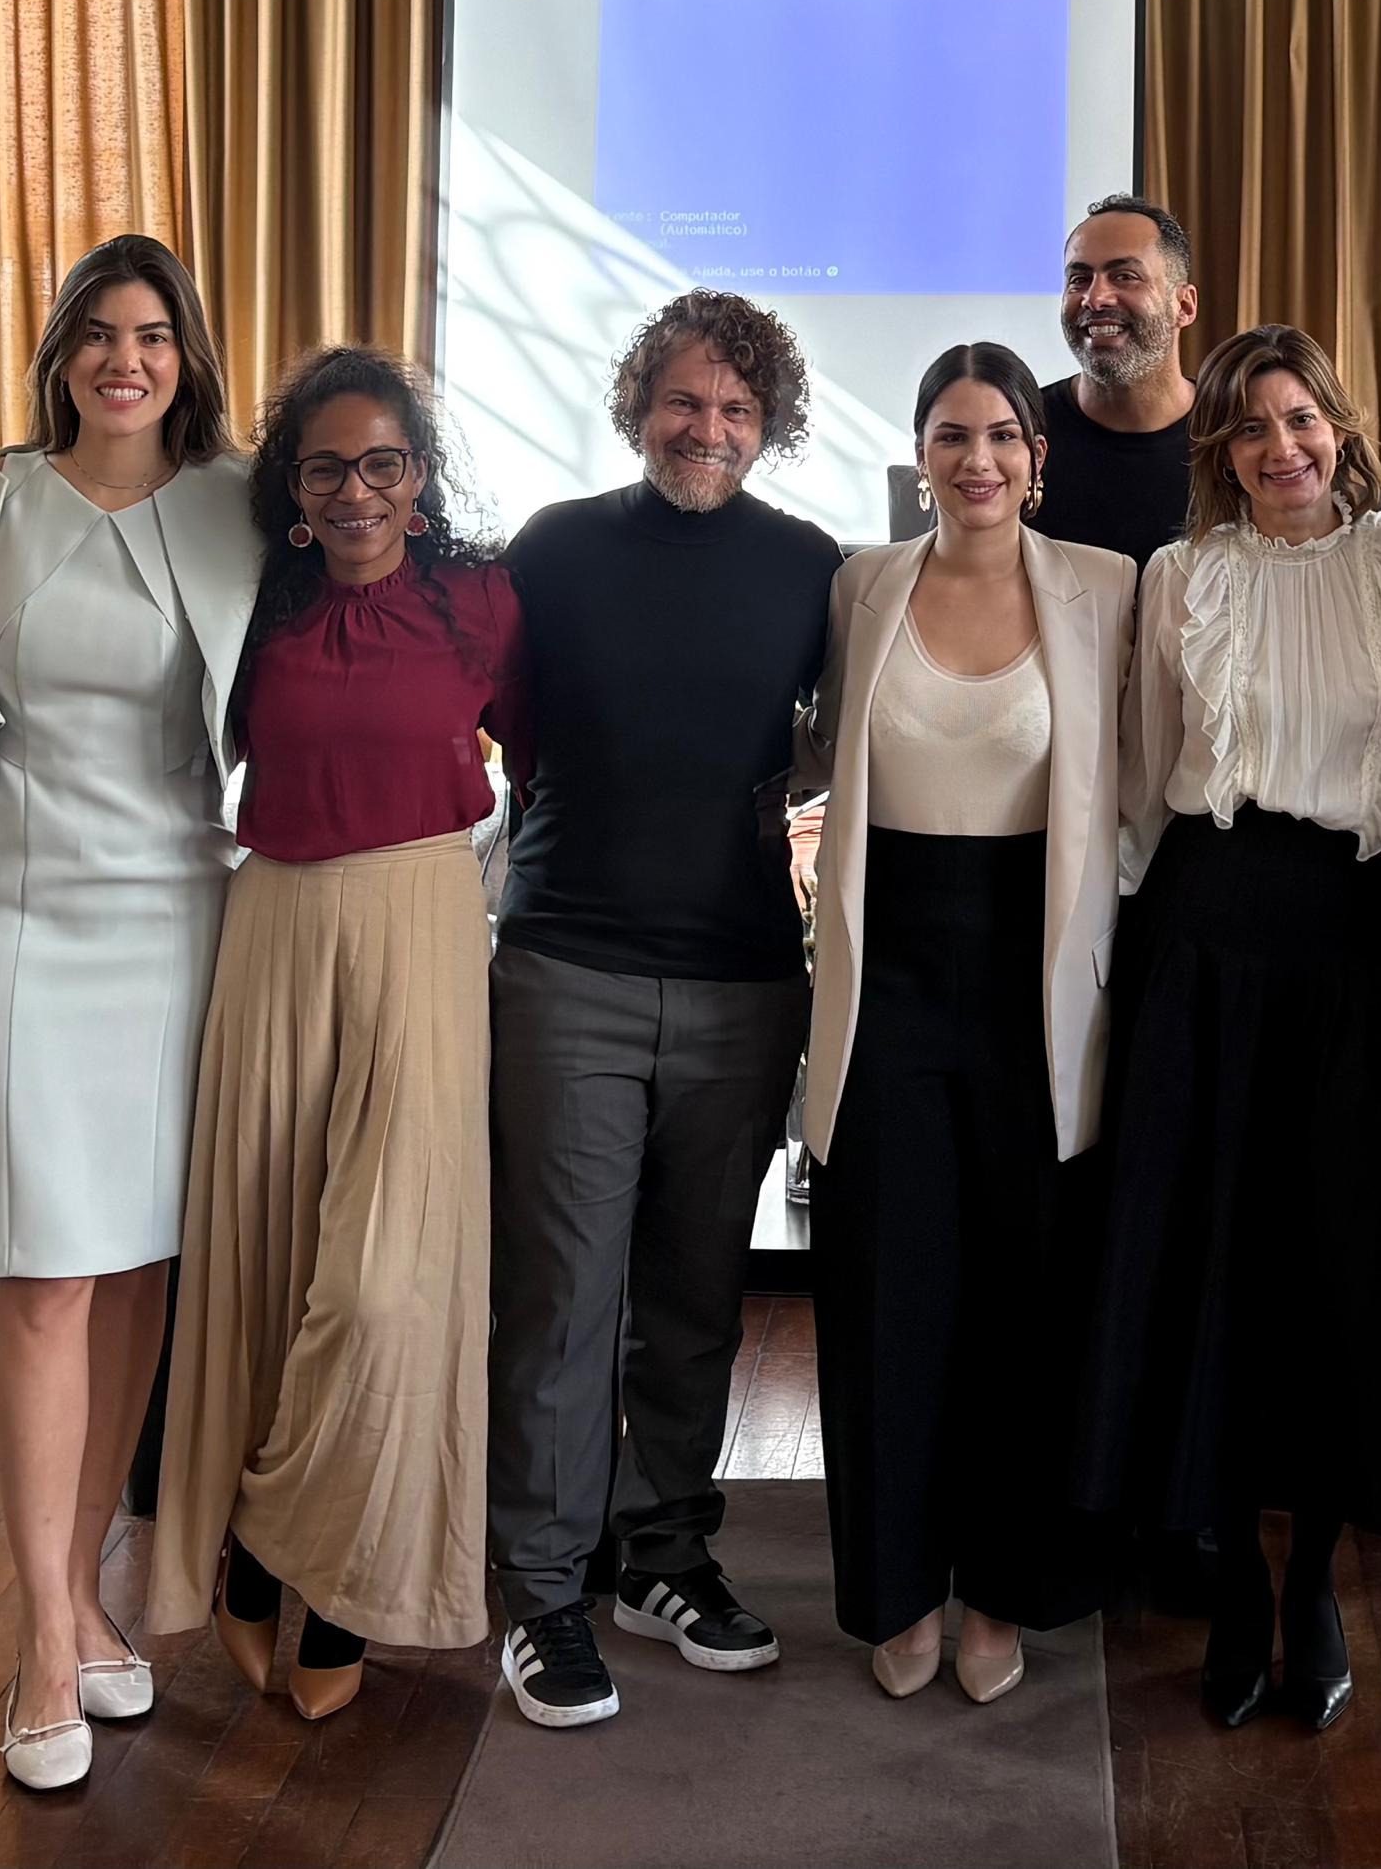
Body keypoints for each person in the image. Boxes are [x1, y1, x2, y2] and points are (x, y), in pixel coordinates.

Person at [1071, 321, 1381, 1737]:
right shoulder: (1178, 574)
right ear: (1219, 446)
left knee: (1342, 1258)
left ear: (1339, 426)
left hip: (1351, 938)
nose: (1281, 446)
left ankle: (1313, 1572)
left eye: (1301, 417)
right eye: (1251, 425)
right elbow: (1143, 774)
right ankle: (1231, 1576)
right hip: (1202, 934)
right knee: (1213, 1259)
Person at [0, 233, 262, 1791]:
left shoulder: (241, 505)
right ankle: (43, 1638)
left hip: (185, 904)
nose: (126, 359)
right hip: (24, 906)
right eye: (99, 332)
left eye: (154, 333)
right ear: (59, 353)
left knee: (138, 1268)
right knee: (47, 1273)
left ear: (188, 356)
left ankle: (91, 1585)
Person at [141, 348, 522, 1720]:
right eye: (325, 469)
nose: (356, 490)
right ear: (291, 492)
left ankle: (309, 1557)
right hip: (274, 925)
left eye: (382, 463)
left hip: (423, 924)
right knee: (266, 1263)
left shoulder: (484, 601)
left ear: (419, 476)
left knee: (383, 1287)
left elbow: (549, 760)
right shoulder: (252, 607)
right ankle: (257, 1556)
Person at [487, 289, 842, 1730]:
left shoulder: (811, 568)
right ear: (640, 403)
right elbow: (504, 727)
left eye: (737, 409)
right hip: (564, 968)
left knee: (696, 1296)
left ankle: (665, 1555)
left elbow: (834, 748)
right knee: (563, 1299)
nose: (708, 428)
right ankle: (544, 1587)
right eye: (685, 400)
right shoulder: (552, 547)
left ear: (770, 426)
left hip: (745, 980)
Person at [802, 343, 1138, 1705]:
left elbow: (1141, 779)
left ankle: (1002, 1588)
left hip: (1034, 974)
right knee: (888, 1291)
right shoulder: (863, 583)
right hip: (888, 976)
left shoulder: (1105, 587)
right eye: (952, 434)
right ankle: (894, 1588)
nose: (977, 458)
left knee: (1024, 1299)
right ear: (920, 452)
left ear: (1037, 458)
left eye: (1002, 434)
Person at [1030, 194, 1201, 566]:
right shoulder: (1018, 433)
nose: (1095, 298)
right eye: (1079, 279)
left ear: (1184, 306)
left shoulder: (1236, 434)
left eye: (1125, 276)